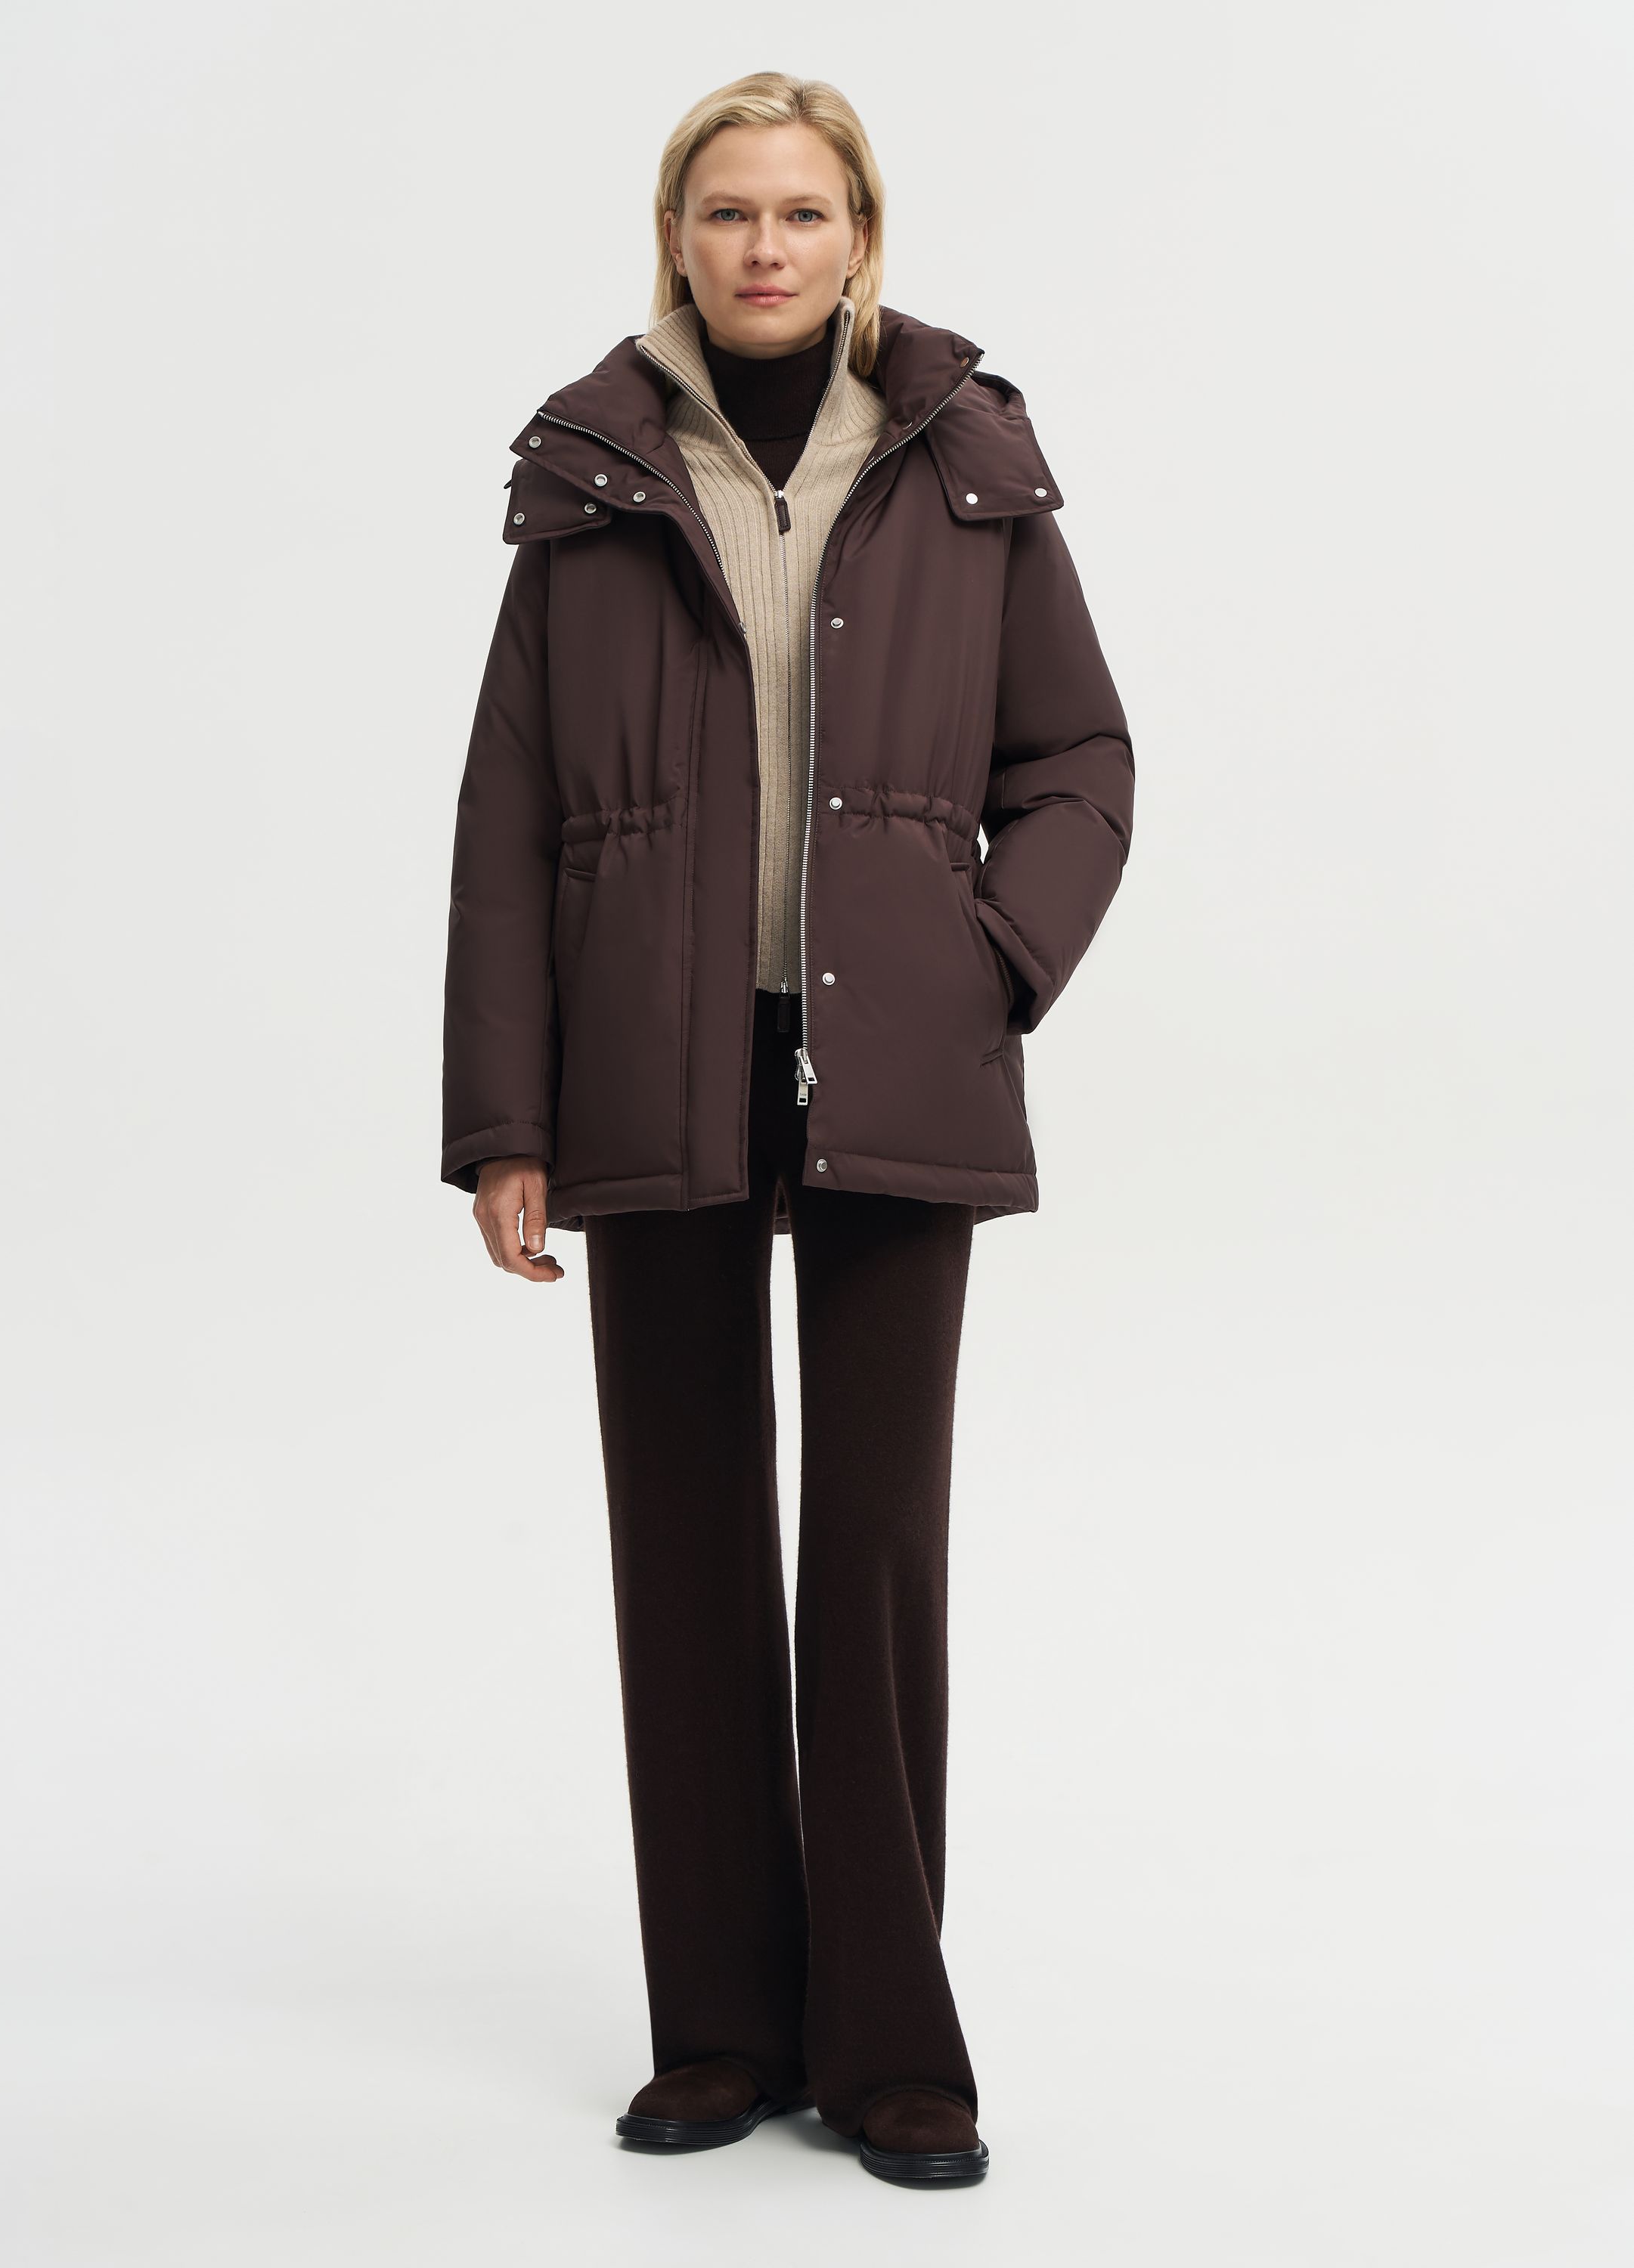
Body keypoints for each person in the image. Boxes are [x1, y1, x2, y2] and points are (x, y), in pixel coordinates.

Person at [440, 71, 1134, 2187]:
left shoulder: (962, 458)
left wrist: (981, 960)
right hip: (649, 1061)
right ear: (677, 236)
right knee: (684, 1550)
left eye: (802, 212)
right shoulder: (587, 476)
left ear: (859, 238)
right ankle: (725, 2029)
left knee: (875, 1552)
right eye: (727, 211)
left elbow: (1081, 762)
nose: (764, 246)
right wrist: (503, 1119)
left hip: (892, 1059)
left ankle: (893, 2041)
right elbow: (506, 820)